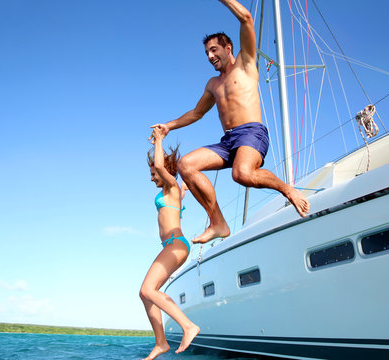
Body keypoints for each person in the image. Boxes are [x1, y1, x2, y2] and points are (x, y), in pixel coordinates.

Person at [151, 0, 310, 244]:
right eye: (206, 53)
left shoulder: (247, 64)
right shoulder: (213, 84)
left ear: (228, 47)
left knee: (242, 174)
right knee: (186, 165)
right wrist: (168, 126)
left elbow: (246, 17)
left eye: (214, 50)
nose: (210, 56)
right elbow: (196, 113)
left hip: (251, 133)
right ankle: (218, 222)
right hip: (228, 141)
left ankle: (287, 189)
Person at [139, 127, 200, 360]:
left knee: (147, 289)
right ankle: (161, 343)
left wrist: (159, 140)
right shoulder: (176, 191)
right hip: (171, 246)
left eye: (153, 173)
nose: (151, 177)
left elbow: (162, 168)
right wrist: (184, 189)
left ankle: (188, 326)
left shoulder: (171, 185)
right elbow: (179, 192)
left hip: (176, 244)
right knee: (145, 294)